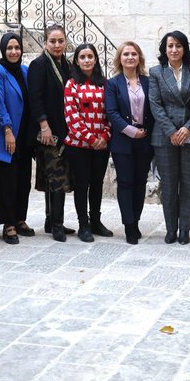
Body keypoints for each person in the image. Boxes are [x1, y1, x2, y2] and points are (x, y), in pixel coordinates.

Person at [150, 31, 190, 245]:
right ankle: (171, 228)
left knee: (189, 184)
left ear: (185, 49)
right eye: (170, 45)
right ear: (164, 49)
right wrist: (172, 131)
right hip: (165, 136)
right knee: (170, 185)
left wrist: (188, 128)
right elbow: (155, 105)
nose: (174, 50)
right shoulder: (156, 72)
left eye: (179, 46)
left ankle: (185, 229)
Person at [28, 25, 74, 240]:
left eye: (61, 41)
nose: (57, 45)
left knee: (58, 176)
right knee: (56, 178)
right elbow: (35, 98)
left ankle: (51, 220)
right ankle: (56, 224)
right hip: (48, 132)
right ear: (45, 42)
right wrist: (43, 126)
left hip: (66, 129)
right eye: (52, 41)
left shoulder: (67, 64)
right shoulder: (39, 65)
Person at [105, 41, 154, 245]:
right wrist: (131, 131)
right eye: (126, 54)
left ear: (139, 58)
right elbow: (112, 113)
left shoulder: (149, 82)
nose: (130, 57)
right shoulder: (113, 83)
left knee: (140, 182)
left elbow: (155, 109)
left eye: (134, 53)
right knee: (125, 183)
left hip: (145, 139)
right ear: (120, 58)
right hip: (123, 140)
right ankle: (129, 226)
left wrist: (145, 132)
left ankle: (136, 220)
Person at [64, 43, 112, 243]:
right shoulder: (71, 84)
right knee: (82, 184)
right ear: (76, 60)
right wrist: (92, 139)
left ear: (95, 59)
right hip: (79, 145)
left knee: (97, 183)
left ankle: (96, 221)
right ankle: (83, 224)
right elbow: (72, 117)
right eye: (82, 57)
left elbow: (110, 113)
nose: (86, 60)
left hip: (102, 144)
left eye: (90, 56)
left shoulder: (105, 84)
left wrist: (105, 136)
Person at [0, 33, 32, 244]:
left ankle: (20, 219)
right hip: (7, 135)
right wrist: (7, 130)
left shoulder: (25, 71)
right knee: (7, 181)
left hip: (24, 135)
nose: (14, 52)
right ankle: (8, 224)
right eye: (9, 48)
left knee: (24, 180)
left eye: (17, 47)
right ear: (4, 50)